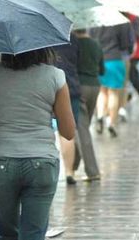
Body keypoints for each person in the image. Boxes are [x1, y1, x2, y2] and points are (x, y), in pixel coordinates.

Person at [0, 47, 75, 240]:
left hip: (1, 161)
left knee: (6, 233)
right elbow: (68, 132)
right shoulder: (55, 76)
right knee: (33, 234)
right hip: (42, 162)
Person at [90, 23, 133, 137]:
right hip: (115, 59)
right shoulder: (119, 22)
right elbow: (125, 45)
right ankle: (111, 123)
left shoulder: (94, 22)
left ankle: (100, 116)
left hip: (99, 60)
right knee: (113, 92)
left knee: (102, 91)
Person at [73, 29, 103, 181]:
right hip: (95, 87)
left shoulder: (74, 43)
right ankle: (72, 165)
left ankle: (92, 171)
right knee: (83, 127)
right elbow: (102, 69)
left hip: (80, 87)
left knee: (81, 128)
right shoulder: (96, 44)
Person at [53, 34, 81, 185]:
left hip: (50, 87)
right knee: (68, 132)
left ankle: (53, 170)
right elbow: (78, 61)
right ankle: (70, 172)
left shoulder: (42, 38)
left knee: (48, 130)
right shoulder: (73, 38)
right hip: (72, 86)